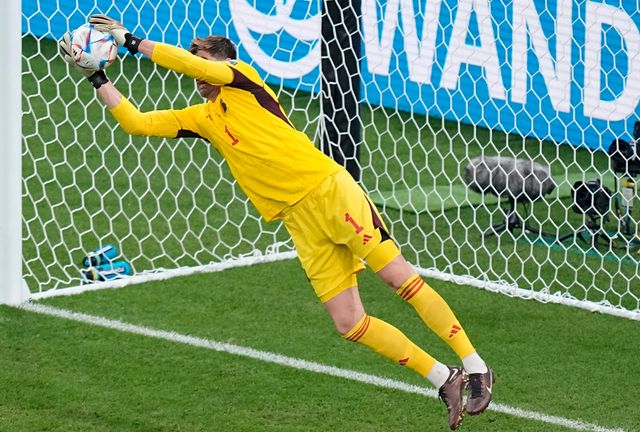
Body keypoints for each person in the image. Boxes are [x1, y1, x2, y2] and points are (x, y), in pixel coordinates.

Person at [58, 14, 495, 430]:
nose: (196, 71)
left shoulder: (243, 81)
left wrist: (131, 42)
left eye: (203, 60)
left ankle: (475, 365)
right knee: (349, 323)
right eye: (196, 62)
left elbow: (189, 63)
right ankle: (443, 377)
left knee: (400, 279)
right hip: (299, 222)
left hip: (329, 191)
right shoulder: (204, 118)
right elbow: (136, 123)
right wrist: (97, 76)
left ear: (223, 63)